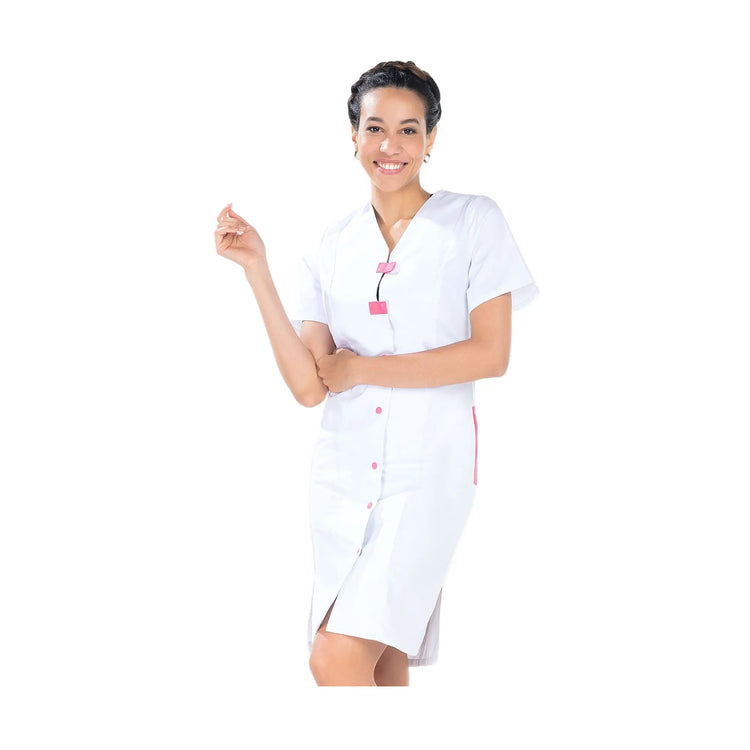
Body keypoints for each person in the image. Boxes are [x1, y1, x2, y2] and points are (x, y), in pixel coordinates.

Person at [214, 60, 538, 687]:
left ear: (431, 138)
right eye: (375, 128)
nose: (391, 146)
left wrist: (362, 368)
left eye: (409, 129)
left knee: (334, 656)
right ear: (354, 135)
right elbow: (309, 386)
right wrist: (257, 269)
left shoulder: (473, 221)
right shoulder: (333, 243)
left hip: (428, 472)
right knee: (379, 661)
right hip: (342, 474)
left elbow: (490, 354)